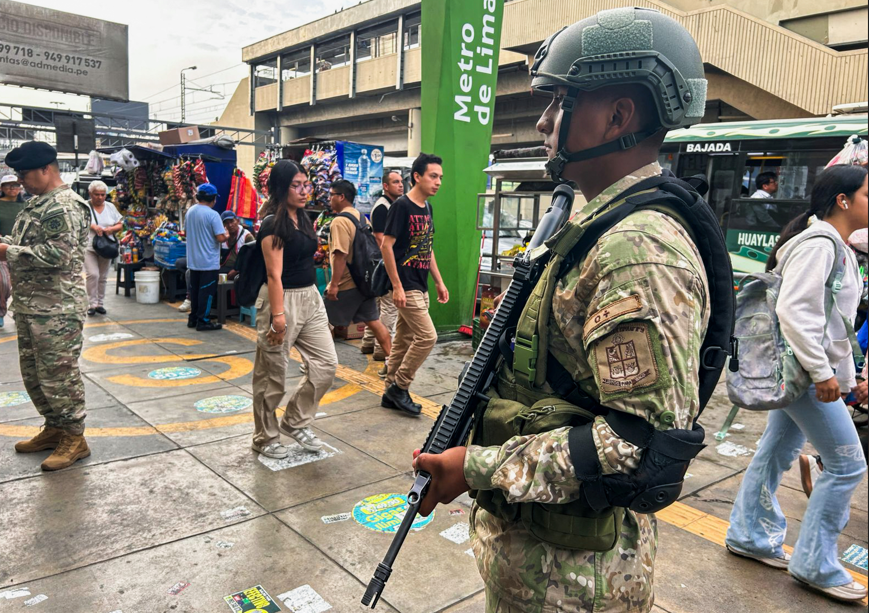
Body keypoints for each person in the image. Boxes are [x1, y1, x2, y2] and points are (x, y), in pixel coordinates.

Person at [411, 9, 718, 611]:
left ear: (618, 115)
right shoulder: (592, 222)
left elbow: (636, 441)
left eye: (560, 101)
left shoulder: (637, 250)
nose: (545, 120)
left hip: (576, 584)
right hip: (544, 561)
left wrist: (476, 467)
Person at [727, 164, 868, 603]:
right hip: (808, 377)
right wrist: (825, 374)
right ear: (843, 200)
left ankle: (750, 535)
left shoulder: (833, 244)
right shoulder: (820, 243)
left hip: (805, 374)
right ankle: (815, 564)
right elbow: (795, 312)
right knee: (847, 467)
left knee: (776, 452)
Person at [0, 142, 92, 471]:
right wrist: (7, 244)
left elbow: (58, 255)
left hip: (57, 309)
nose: (20, 181)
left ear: (46, 169)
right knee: (35, 376)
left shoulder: (64, 205)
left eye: (23, 174)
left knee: (59, 376)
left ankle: (74, 437)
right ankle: (54, 428)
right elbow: (23, 242)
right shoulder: (37, 204)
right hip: (30, 306)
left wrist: (5, 253)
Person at [251, 160, 337, 459]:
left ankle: (295, 421)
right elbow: (274, 275)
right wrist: (278, 317)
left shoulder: (304, 217)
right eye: (296, 185)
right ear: (280, 188)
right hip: (280, 299)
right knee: (272, 374)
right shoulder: (273, 224)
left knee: (326, 365)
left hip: (309, 297)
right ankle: (265, 437)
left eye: (306, 184)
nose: (304, 191)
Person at [379, 153, 449, 416]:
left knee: (404, 340)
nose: (438, 182)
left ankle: (389, 392)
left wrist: (439, 282)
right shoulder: (401, 206)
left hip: (420, 283)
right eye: (433, 176)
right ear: (417, 177)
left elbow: (425, 248)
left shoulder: (427, 208)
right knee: (427, 337)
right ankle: (400, 386)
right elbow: (387, 246)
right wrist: (396, 285)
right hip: (406, 284)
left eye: (440, 177)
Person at [324, 179, 392, 357]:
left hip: (346, 284)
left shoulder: (339, 222)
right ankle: (393, 366)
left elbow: (341, 254)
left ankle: (316, 364)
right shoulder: (361, 217)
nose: (329, 199)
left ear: (341, 197)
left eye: (331, 195)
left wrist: (334, 284)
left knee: (320, 323)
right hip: (364, 282)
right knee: (375, 323)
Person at [361, 171, 405, 368]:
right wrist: (393, 263)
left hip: (382, 263)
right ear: (386, 186)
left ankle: (368, 343)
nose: (401, 185)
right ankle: (381, 349)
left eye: (401, 182)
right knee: (388, 306)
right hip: (383, 263)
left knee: (377, 306)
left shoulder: (392, 205)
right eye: (395, 182)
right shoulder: (382, 207)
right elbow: (381, 239)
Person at [184, 183, 227, 332]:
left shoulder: (190, 211)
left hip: (193, 261)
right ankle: (204, 320)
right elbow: (221, 238)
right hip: (208, 262)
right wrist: (227, 233)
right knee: (207, 293)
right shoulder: (212, 214)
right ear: (213, 199)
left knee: (195, 291)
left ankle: (193, 318)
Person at [84, 181, 123, 317]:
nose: (100, 197)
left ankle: (100, 303)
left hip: (106, 246)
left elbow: (119, 224)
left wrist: (110, 229)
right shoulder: (85, 206)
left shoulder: (110, 207)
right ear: (90, 194)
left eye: (102, 195)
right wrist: (93, 226)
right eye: (96, 195)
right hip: (89, 246)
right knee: (92, 274)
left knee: (103, 276)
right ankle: (91, 303)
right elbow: (79, 222)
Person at [0, 174, 26, 328]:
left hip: (20, 249)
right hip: (2, 248)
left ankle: (18, 311)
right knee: (3, 282)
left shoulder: (26, 206)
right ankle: (1, 310)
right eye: (9, 185)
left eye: (16, 185)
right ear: (2, 188)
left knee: (19, 282)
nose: (13, 188)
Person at [219, 210, 255, 279]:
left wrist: (237, 270)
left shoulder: (247, 236)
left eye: (232, 221)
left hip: (241, 269)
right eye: (226, 223)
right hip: (225, 268)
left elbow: (252, 258)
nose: (230, 225)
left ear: (238, 221)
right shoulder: (222, 237)